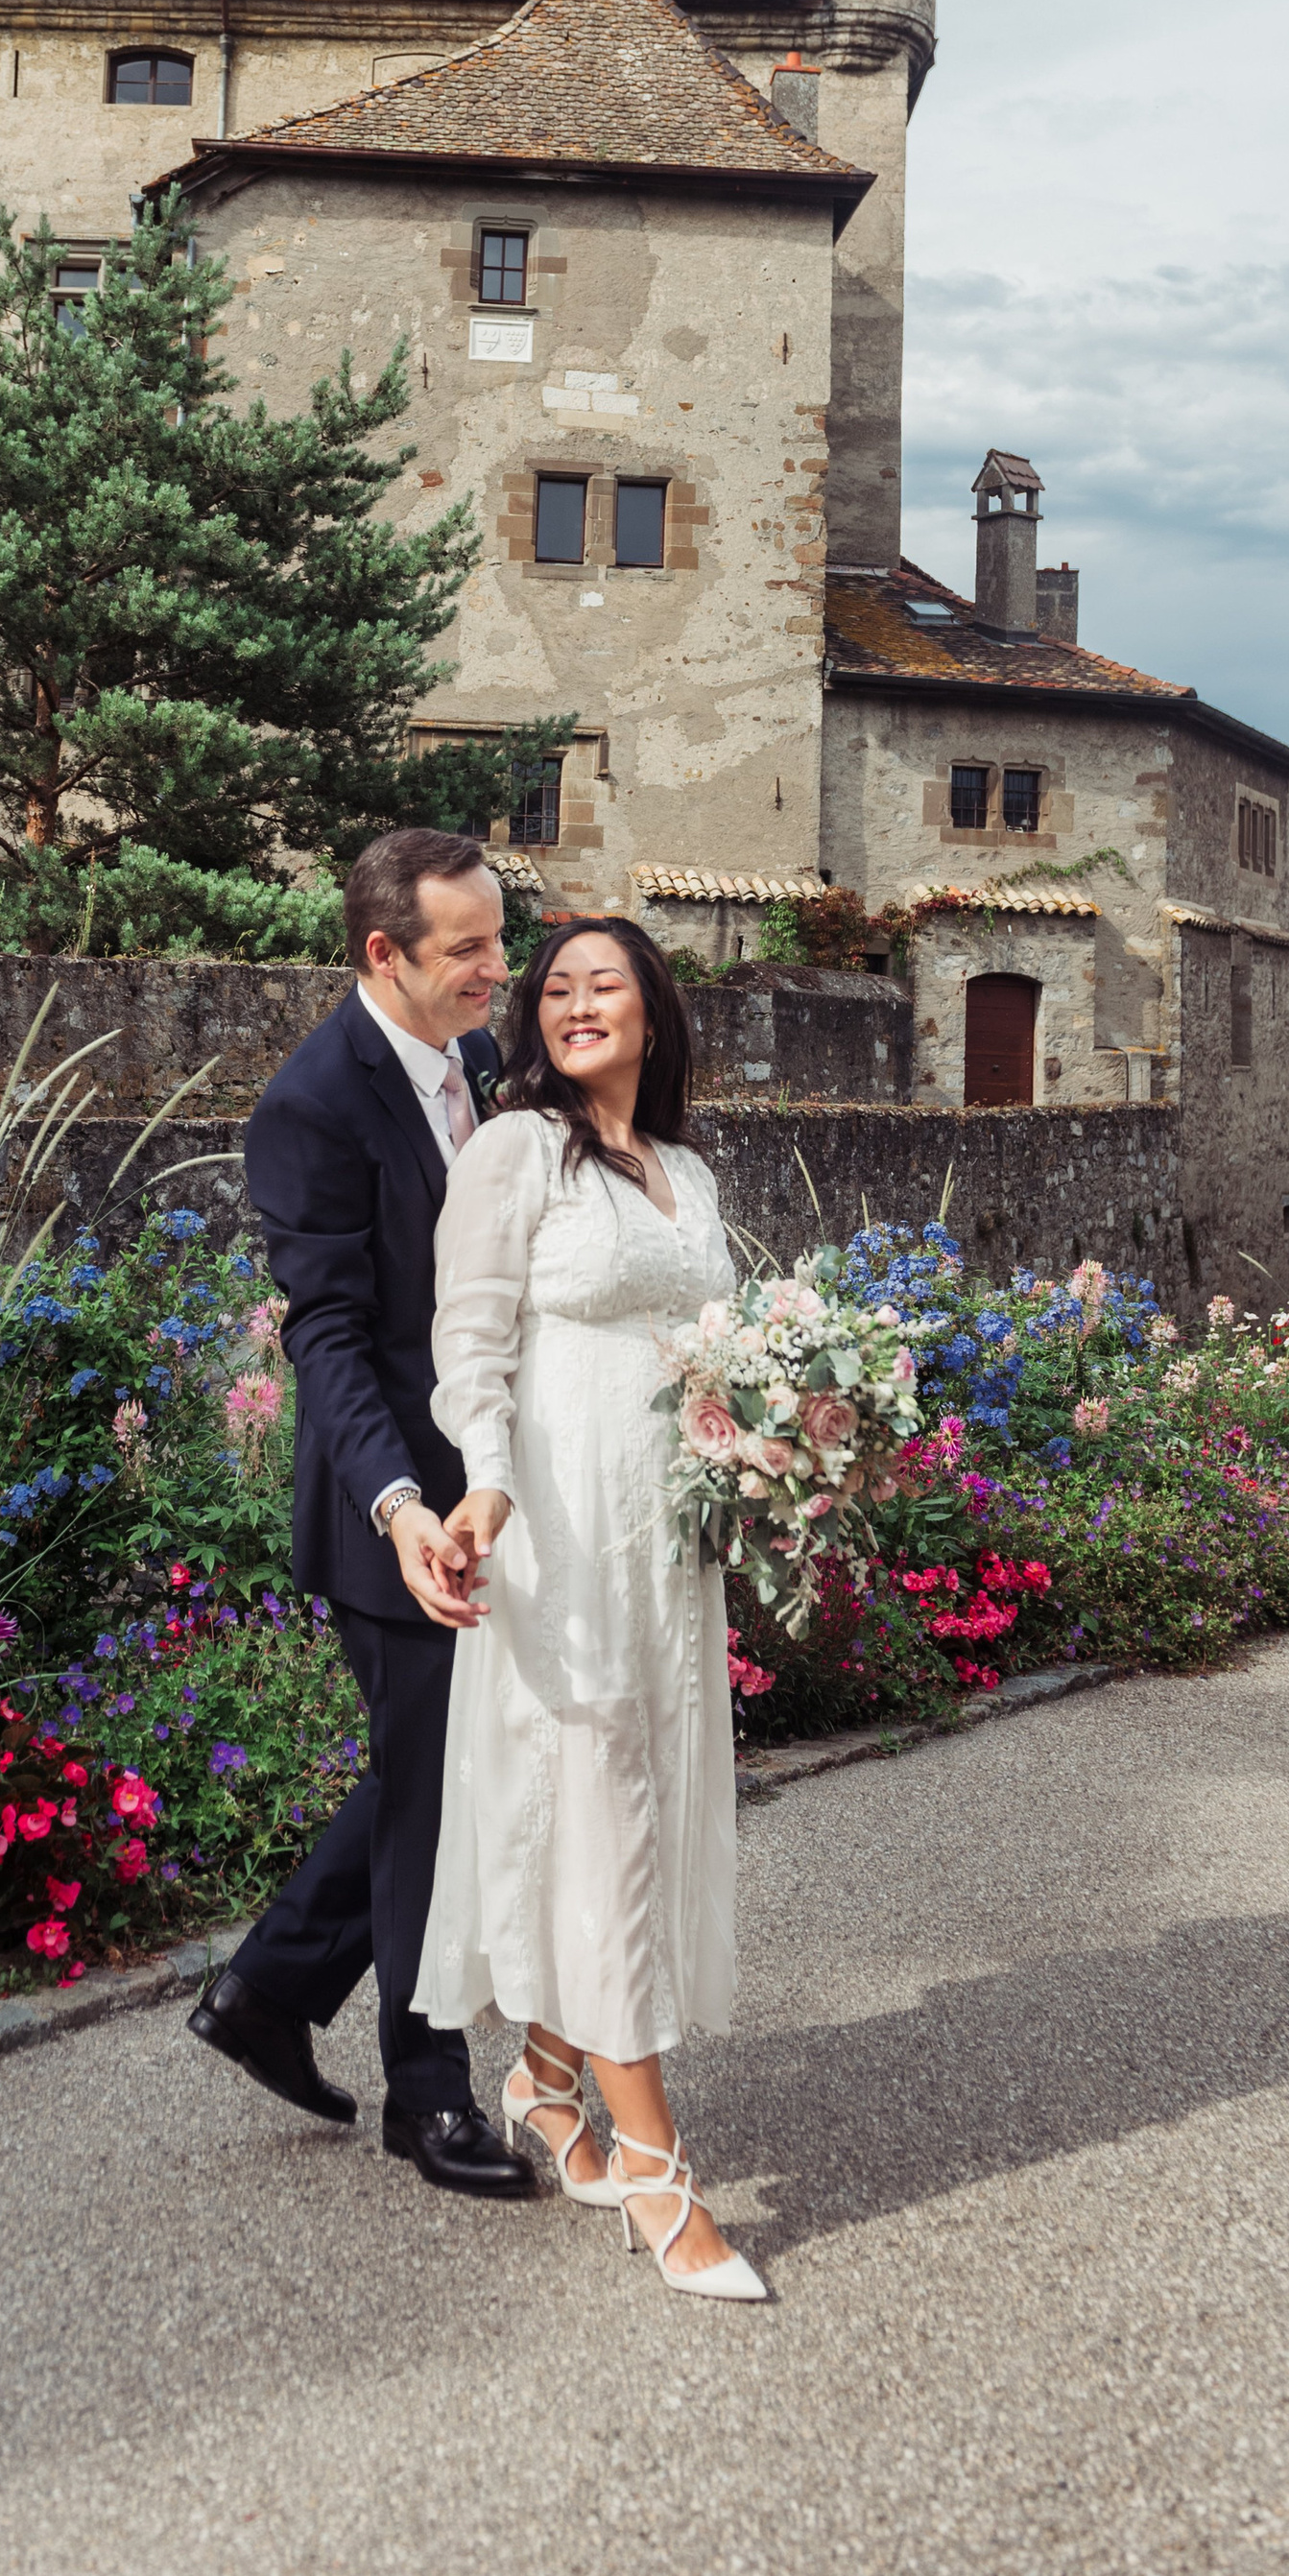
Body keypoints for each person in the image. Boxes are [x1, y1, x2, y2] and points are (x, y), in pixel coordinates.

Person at [411, 916, 767, 2301]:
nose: (573, 1002)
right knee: (603, 1816)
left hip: (669, 1544)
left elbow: (712, 1353)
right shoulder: (517, 1149)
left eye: (602, 982)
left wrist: (778, 1443)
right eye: (553, 986)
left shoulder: (687, 1169)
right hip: (558, 1534)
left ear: (653, 1011)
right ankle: (661, 2173)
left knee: (645, 1806)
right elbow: (470, 1339)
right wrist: (485, 1484)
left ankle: (547, 2083)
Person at [185, 827, 537, 2198]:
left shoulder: (475, 1058)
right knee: (436, 1800)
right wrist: (399, 1504)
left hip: (490, 1490)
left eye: (500, 940)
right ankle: (426, 2096)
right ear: (384, 953)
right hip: (393, 1514)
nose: (498, 971)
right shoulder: (313, 1103)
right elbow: (325, 1334)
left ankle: (265, 1993)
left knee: (425, 1774)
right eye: (470, 949)